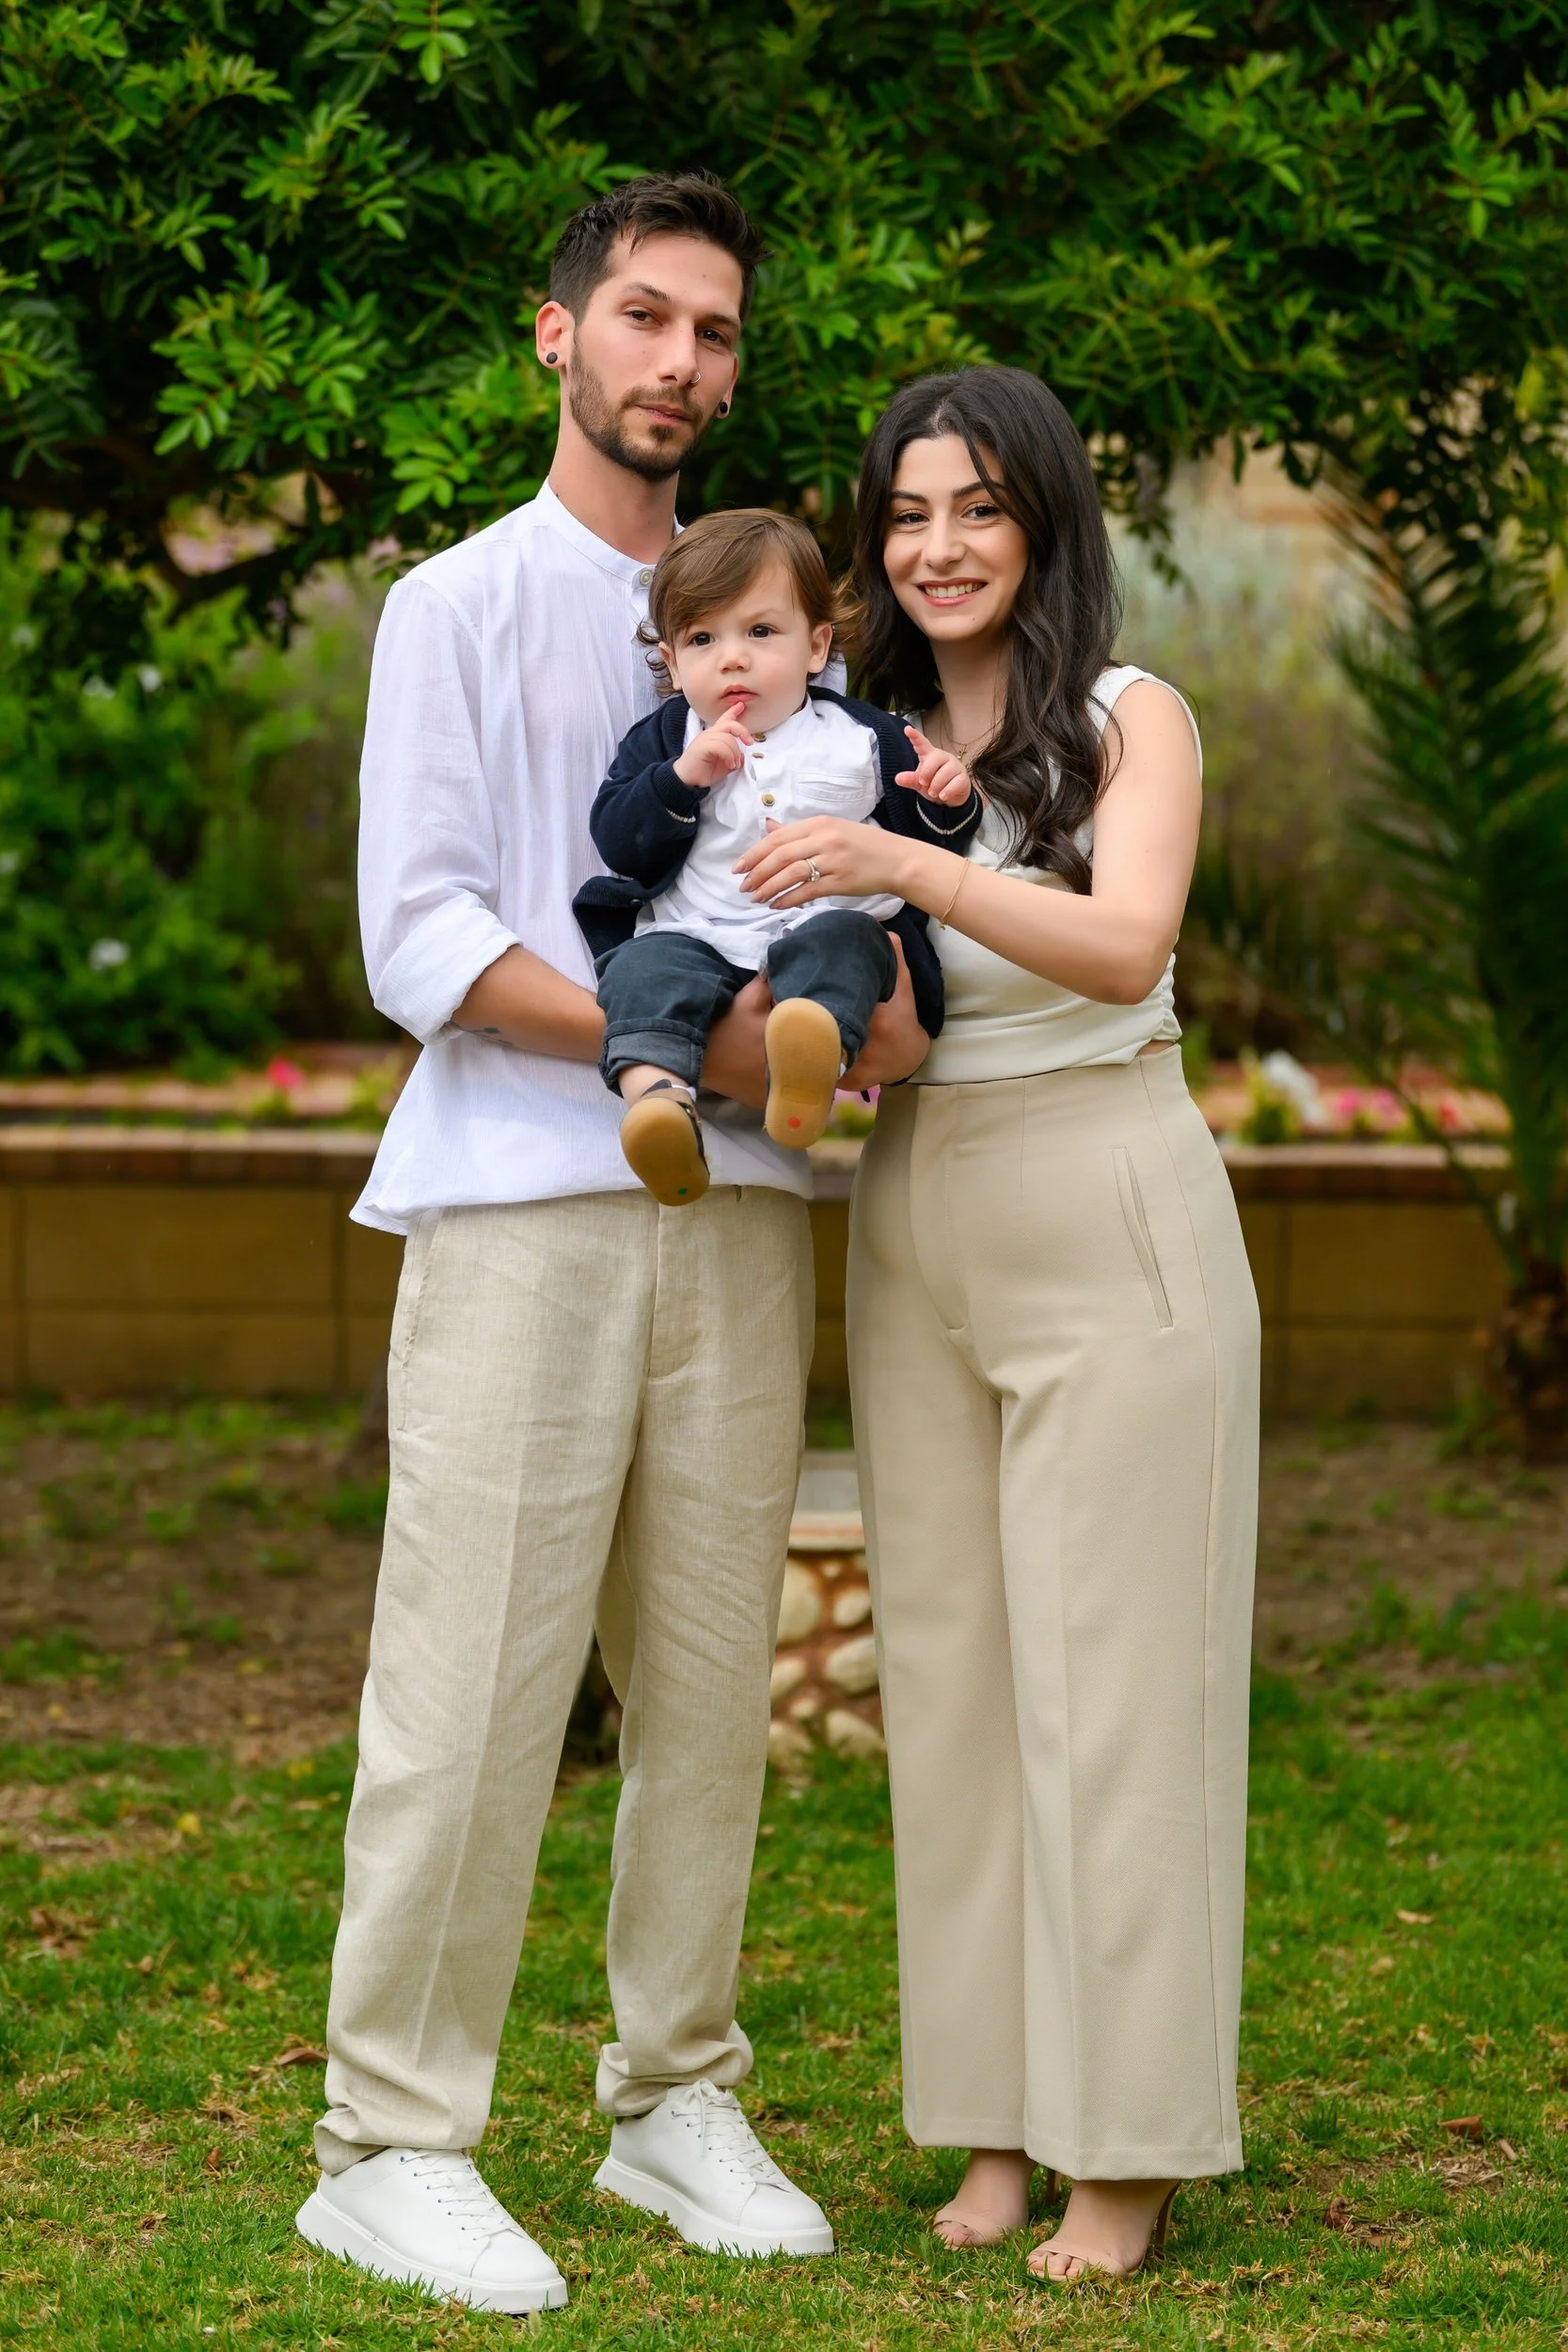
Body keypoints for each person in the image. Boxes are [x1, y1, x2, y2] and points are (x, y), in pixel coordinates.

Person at [293, 173, 930, 2317]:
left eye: (717, 334)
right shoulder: (456, 607)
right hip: (520, 1207)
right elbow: (428, 939)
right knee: (470, 1689)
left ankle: (673, 2093)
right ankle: (387, 2140)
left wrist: (808, 1049)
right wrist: (731, 1051)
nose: (682, 364)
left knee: (698, 1689)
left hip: (739, 1217)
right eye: (644, 319)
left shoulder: (780, 620)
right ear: (552, 335)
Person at [736, 366, 1260, 2284]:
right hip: (915, 1207)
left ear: (1040, 522)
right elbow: (865, 999)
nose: (933, 546)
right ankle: (986, 2124)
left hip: (1106, 1204)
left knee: (1113, 1704)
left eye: (973, 508)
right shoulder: (854, 736)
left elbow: (1121, 942)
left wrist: (902, 866)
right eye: (901, 513)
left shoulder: (1129, 718)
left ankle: (1119, 2153)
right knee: (951, 1688)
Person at [578, 506, 980, 1202]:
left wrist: (945, 800)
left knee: (856, 943)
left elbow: (926, 849)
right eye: (702, 638)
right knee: (639, 970)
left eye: (760, 631)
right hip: (697, 934)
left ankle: (809, 1057)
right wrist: (679, 780)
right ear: (671, 663)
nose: (732, 656)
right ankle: (657, 1106)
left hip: (824, 925)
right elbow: (617, 838)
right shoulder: (667, 740)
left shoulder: (861, 736)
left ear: (816, 647)